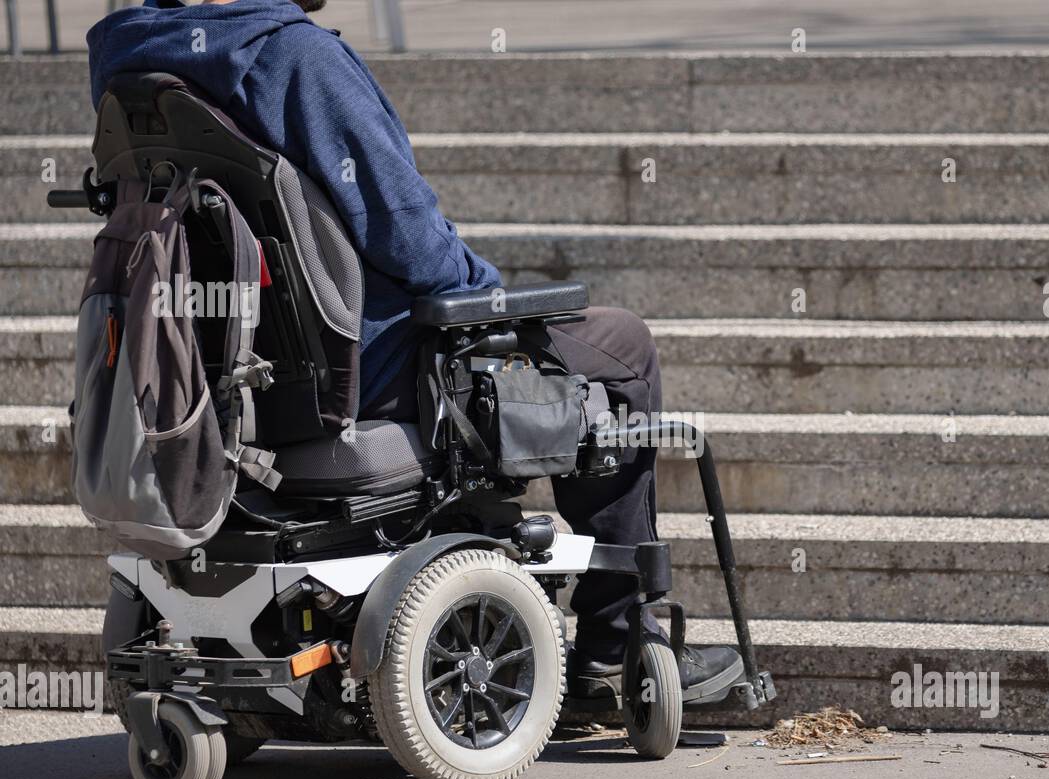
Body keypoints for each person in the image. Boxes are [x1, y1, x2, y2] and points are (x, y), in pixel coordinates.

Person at [86, 0, 743, 699]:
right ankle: (615, 651)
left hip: (214, 386)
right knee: (623, 346)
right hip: (369, 372)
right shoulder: (295, 60)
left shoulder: (128, 62)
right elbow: (408, 234)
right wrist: (487, 302)